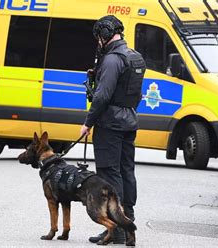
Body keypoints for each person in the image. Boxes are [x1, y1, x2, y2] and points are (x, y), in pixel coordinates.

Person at [80, 15, 146, 245]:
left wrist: (88, 122)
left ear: (105, 34)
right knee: (126, 171)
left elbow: (102, 96)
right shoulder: (134, 58)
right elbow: (136, 95)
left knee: (109, 174)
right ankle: (129, 223)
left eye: (99, 36)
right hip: (129, 121)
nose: (98, 41)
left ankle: (116, 229)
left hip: (110, 124)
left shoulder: (111, 60)